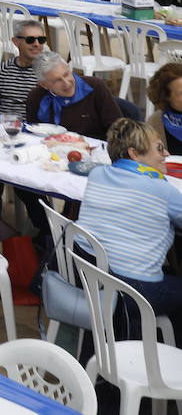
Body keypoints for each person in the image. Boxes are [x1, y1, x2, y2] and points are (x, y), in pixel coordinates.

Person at [76, 117, 182, 318]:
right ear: (134, 154)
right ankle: (165, 345)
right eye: (159, 148)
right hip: (134, 292)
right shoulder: (162, 189)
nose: (166, 154)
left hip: (90, 278)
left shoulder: (97, 174)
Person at [25, 51, 122, 140]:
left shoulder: (95, 87)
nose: (67, 83)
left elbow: (118, 129)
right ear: (44, 85)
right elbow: (33, 134)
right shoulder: (36, 97)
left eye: (66, 74)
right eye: (57, 80)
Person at [0, 20, 50, 118]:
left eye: (41, 40)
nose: (36, 44)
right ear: (16, 42)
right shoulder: (3, 70)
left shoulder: (49, 73)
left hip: (36, 129)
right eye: (30, 40)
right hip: (3, 126)